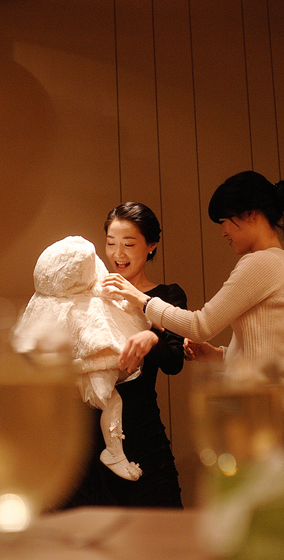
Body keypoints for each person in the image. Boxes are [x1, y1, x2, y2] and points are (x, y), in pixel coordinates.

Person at [103, 171, 284, 396]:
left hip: (256, 403)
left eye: (224, 222)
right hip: (260, 399)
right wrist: (217, 355)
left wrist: (142, 300)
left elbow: (200, 326)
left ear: (250, 214)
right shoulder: (279, 262)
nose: (223, 232)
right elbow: (263, 351)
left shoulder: (262, 262)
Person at [65, 202, 187, 508]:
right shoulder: (90, 294)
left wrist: (151, 334)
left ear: (151, 245)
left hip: (141, 434)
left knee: (159, 528)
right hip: (86, 441)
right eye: (111, 243)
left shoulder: (166, 296)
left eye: (129, 244)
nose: (118, 254)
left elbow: (174, 361)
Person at [12, 235, 146, 481]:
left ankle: (42, 453)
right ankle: (115, 452)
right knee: (111, 401)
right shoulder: (87, 299)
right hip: (85, 368)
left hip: (57, 372)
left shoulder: (43, 302)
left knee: (52, 408)